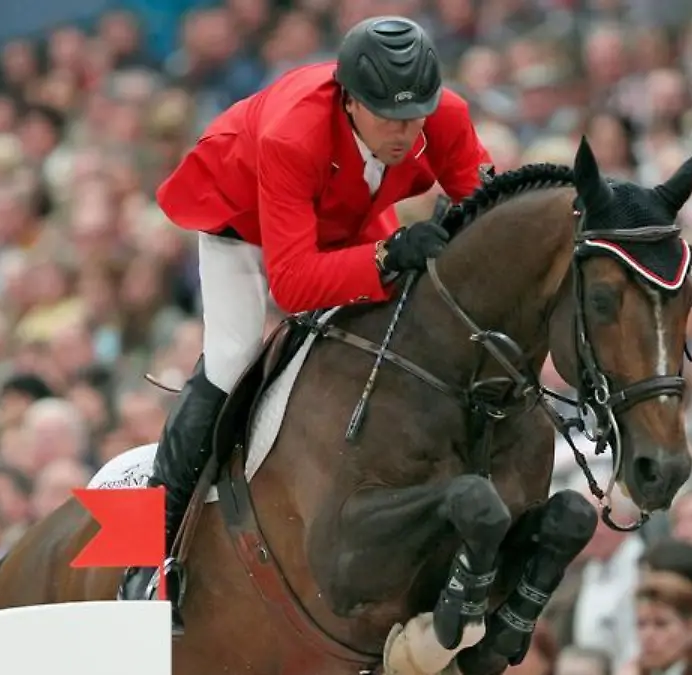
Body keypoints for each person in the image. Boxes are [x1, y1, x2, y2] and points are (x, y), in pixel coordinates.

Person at [120, 16, 494, 635]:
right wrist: (387, 254)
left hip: (349, 211)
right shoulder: (293, 134)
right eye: (388, 117)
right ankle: (144, 556)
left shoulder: (443, 115)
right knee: (233, 358)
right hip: (244, 213)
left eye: (415, 116)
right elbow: (293, 285)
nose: (405, 133)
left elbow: (487, 204)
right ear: (349, 100)